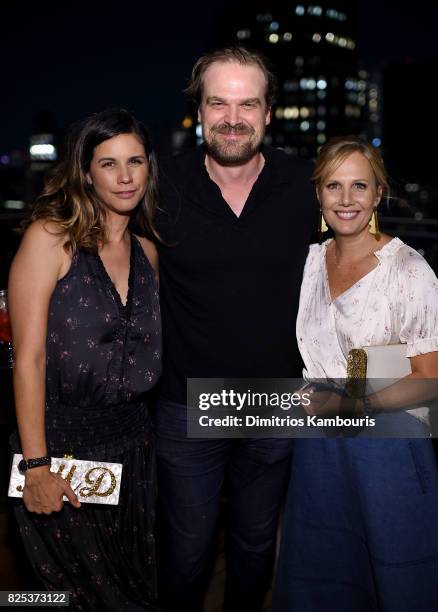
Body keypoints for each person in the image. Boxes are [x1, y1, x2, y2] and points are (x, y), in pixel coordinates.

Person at [154, 46, 318, 612]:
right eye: (217, 102)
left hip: (275, 404)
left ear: (269, 112)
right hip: (186, 404)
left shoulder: (307, 185)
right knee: (186, 553)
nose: (232, 116)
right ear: (198, 111)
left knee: (253, 548)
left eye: (248, 103)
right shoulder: (158, 185)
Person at [273, 136, 438, 612]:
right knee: (324, 579)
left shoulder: (407, 269)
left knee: (397, 578)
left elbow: (430, 377)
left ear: (378, 193)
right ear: (318, 194)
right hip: (319, 450)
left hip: (387, 447)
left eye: (359, 186)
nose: (346, 200)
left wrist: (352, 404)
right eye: (333, 186)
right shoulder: (308, 263)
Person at [8, 108, 162, 611]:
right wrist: (36, 466)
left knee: (134, 588)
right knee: (60, 597)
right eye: (108, 163)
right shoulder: (50, 239)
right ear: (86, 171)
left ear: (148, 168)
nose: (124, 176)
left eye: (134, 161)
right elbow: (27, 358)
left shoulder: (147, 252)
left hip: (134, 448)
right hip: (60, 448)